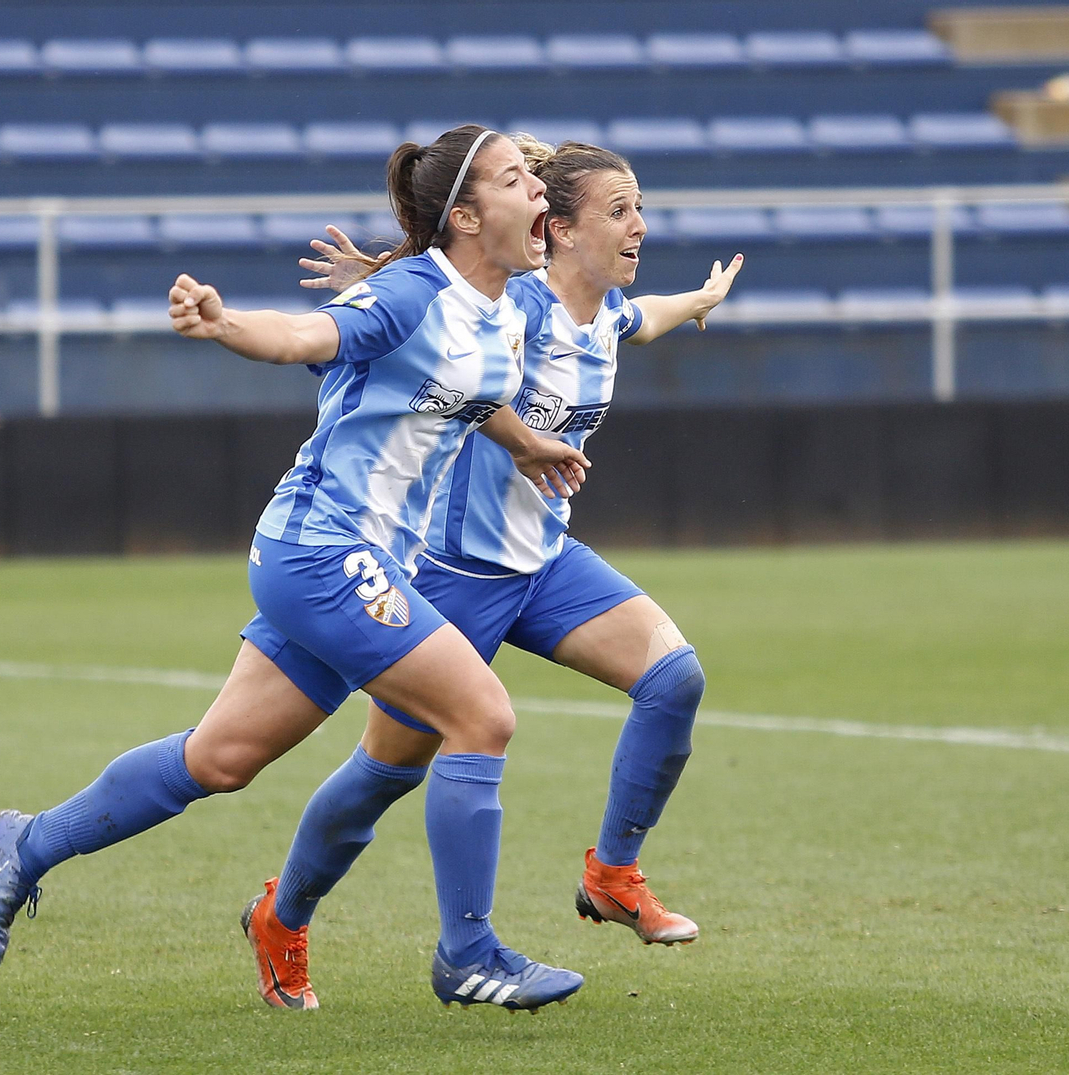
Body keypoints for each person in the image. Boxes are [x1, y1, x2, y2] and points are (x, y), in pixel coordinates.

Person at [0, 125, 596, 1014]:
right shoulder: (413, 292)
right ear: (463, 215)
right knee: (482, 715)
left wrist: (527, 442)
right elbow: (306, 336)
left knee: (219, 759)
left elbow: (471, 392)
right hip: (324, 551)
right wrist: (227, 325)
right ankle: (469, 950)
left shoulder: (496, 305)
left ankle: (26, 842)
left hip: (341, 557)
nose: (539, 193)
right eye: (513, 181)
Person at [242, 135, 744, 1008]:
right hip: (451, 574)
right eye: (620, 211)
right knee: (381, 779)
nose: (640, 226)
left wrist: (699, 298)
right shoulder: (523, 308)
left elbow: (645, 315)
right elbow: (444, 332)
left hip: (545, 564)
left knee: (674, 677)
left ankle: (613, 875)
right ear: (564, 230)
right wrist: (387, 278)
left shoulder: (607, 315)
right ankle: (282, 914)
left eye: (640, 208)